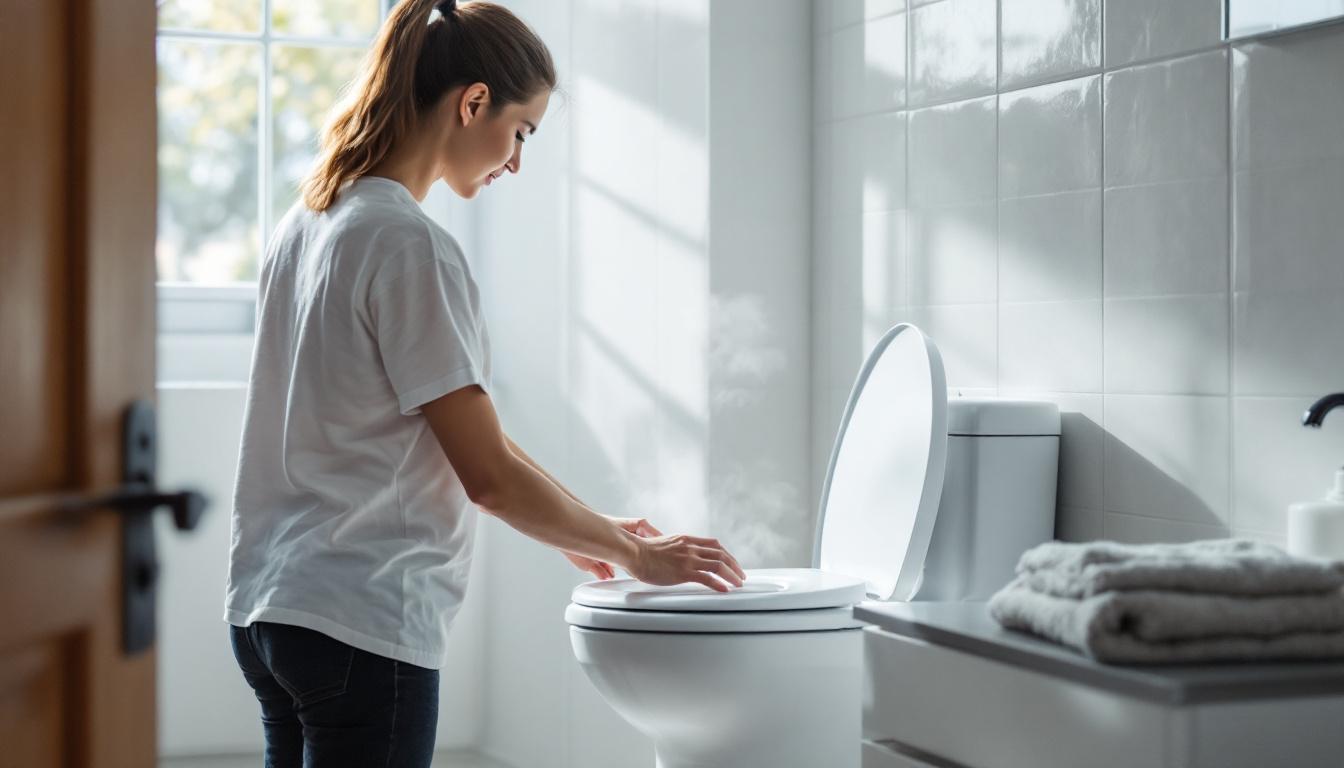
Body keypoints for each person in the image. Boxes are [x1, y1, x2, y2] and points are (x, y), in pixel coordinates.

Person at [222, 1, 747, 764]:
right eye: (521, 131)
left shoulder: (310, 220)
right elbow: (489, 478)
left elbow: (466, 432)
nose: (516, 161)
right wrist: (637, 557)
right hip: (360, 624)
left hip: (269, 610)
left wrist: (587, 522)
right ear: (473, 102)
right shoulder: (408, 246)